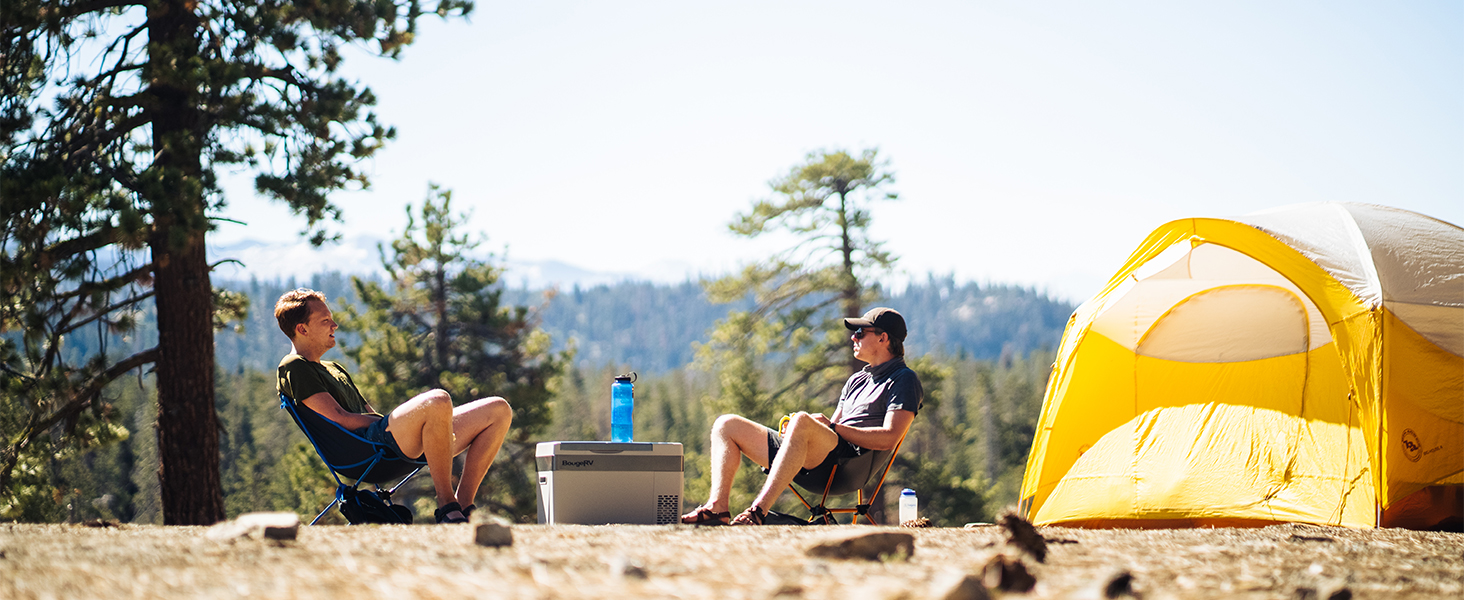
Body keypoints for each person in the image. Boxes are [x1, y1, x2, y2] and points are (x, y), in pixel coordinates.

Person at [274, 288, 513, 524]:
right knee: (437, 400)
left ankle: (463, 505)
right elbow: (340, 418)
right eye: (325, 320)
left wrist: (415, 424)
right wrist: (403, 422)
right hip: (365, 451)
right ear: (302, 329)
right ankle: (446, 504)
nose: (334, 325)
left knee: (498, 410)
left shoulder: (334, 368)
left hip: (387, 443)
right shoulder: (294, 366)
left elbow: (366, 411)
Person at [680, 307, 923, 525]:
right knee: (726, 425)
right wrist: (804, 431)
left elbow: (890, 438)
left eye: (860, 332)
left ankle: (758, 512)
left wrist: (823, 427)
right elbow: (833, 426)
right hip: (821, 458)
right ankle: (717, 508)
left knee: (803, 421)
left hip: (846, 468)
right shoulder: (856, 379)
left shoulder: (903, 379)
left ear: (883, 338)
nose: (853, 337)